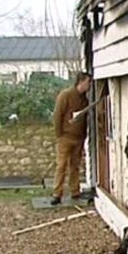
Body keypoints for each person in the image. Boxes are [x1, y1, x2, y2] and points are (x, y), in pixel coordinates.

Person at [50, 72, 91, 205]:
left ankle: (75, 191)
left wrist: (84, 135)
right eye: (88, 82)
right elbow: (57, 115)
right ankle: (57, 193)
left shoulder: (84, 99)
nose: (89, 85)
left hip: (78, 137)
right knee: (61, 165)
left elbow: (84, 119)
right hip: (65, 136)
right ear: (81, 82)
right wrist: (59, 134)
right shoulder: (66, 95)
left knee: (75, 165)